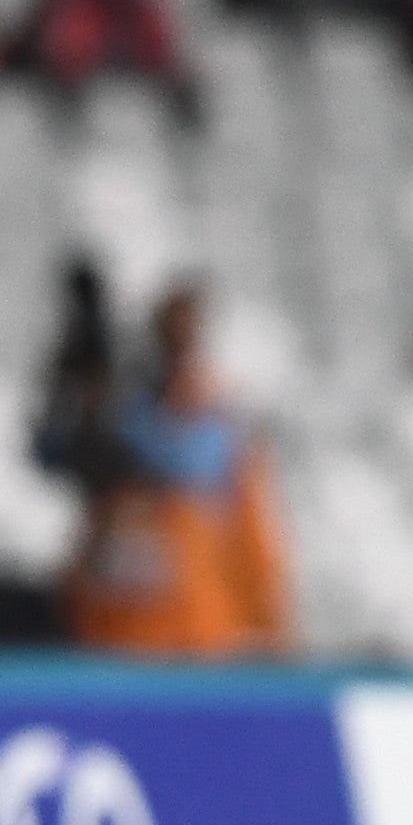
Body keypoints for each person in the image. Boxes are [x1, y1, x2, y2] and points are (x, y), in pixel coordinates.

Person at [68, 281, 290, 656]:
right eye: (169, 337)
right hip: (126, 637)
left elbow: (256, 542)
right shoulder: (121, 430)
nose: (178, 352)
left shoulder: (227, 435)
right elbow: (96, 544)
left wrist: (268, 626)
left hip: (205, 635)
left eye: (188, 339)